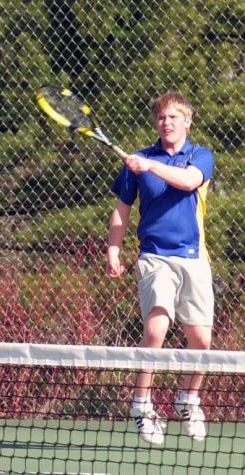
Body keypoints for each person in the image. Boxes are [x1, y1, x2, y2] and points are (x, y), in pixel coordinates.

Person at [106, 92, 214, 445]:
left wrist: (149, 165)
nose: (166, 122)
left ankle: (188, 399)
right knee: (156, 329)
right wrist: (113, 248)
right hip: (154, 255)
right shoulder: (138, 162)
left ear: (187, 121)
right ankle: (141, 405)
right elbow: (122, 209)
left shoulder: (201, 156)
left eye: (173, 117)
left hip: (194, 256)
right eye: (161, 117)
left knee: (201, 340)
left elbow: (188, 182)